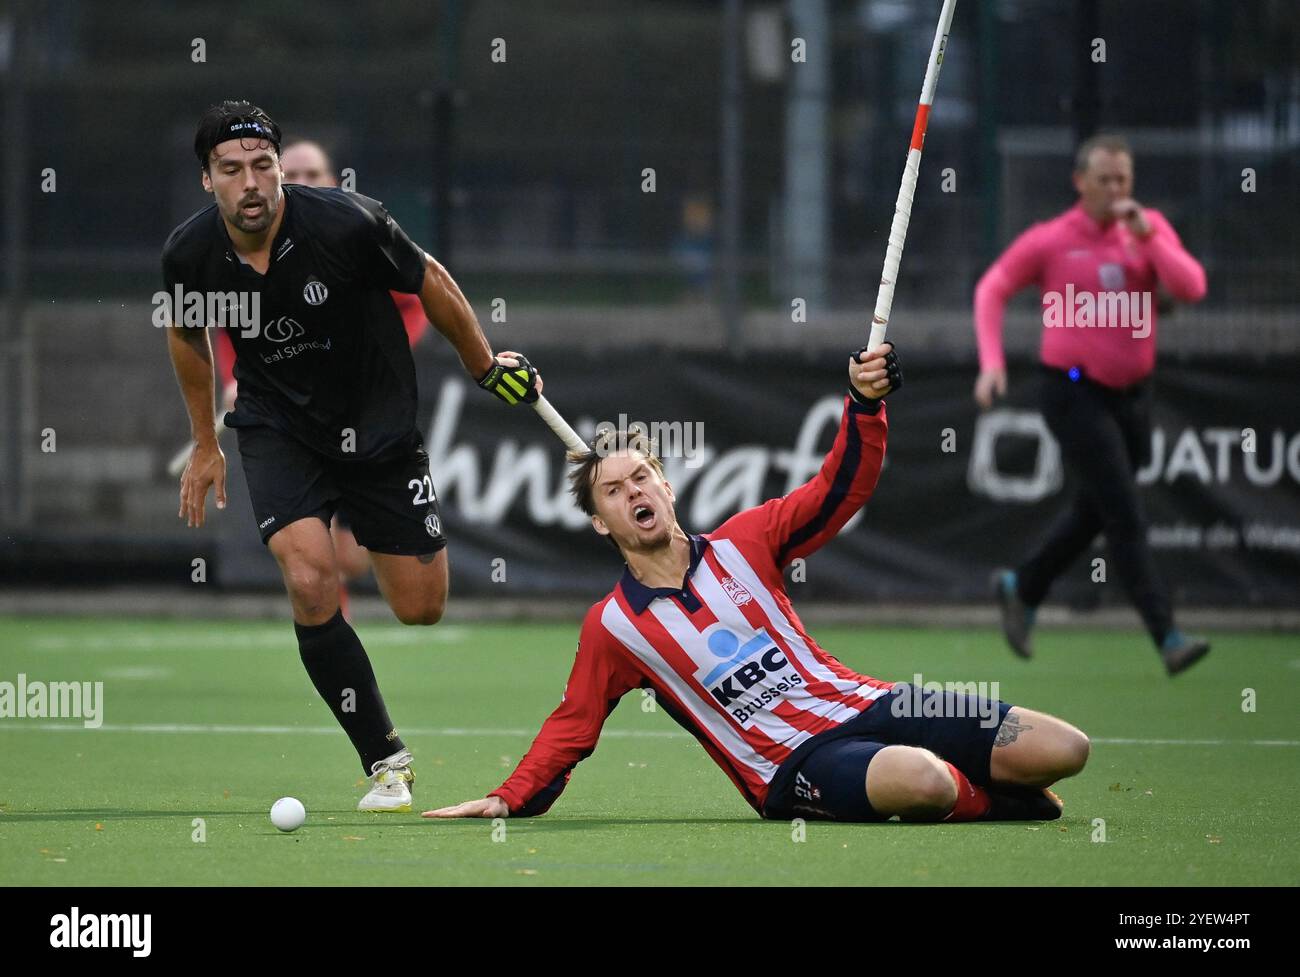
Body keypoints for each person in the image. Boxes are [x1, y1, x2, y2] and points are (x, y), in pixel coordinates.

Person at [424, 346, 1090, 824]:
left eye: (641, 478)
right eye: (613, 492)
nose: (633, 493)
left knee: (1065, 748)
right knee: (926, 782)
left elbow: (837, 490)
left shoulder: (747, 541)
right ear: (601, 524)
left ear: (668, 486)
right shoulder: (615, 626)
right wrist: (510, 795)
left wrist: (864, 405)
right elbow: (573, 726)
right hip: (791, 765)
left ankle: (993, 785)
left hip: (863, 702)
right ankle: (996, 802)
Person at [162, 101, 543, 811]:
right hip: (277, 424)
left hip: (377, 425)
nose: (251, 183)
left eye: (262, 166)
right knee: (311, 581)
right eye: (231, 170)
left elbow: (430, 278)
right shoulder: (189, 253)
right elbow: (185, 336)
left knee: (420, 608)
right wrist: (207, 442)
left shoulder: (347, 221)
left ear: (279, 168)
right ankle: (385, 761)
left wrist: (485, 364)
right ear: (207, 179)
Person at [973, 134, 1210, 676]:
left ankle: (1022, 585)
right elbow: (992, 289)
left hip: (1133, 398)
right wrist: (992, 362)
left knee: (1095, 508)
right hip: (1072, 391)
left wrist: (1150, 237)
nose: (1115, 189)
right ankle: (1167, 635)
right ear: (1080, 183)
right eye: (1103, 179)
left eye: (1123, 179)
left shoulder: (1146, 231)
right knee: (1125, 513)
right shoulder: (1052, 239)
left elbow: (1191, 287)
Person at [211, 138, 432, 620]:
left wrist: (383, 357)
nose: (303, 183)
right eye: (293, 174)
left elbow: (415, 303)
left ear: (334, 182)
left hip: (368, 419)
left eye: (314, 175)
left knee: (355, 558)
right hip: (294, 421)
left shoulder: (355, 234)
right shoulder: (247, 251)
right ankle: (337, 640)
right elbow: (229, 324)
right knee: (316, 556)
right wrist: (235, 378)